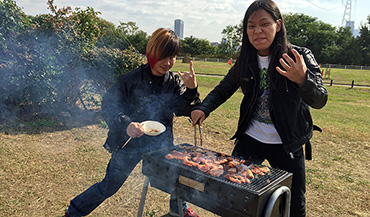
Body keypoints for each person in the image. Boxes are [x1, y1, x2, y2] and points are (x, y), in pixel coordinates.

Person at [190, 1, 328, 217]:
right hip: (250, 139)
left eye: (264, 23)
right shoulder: (246, 59)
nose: (257, 31)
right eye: (251, 25)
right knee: (232, 196)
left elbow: (320, 99)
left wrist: (302, 79)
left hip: (286, 144)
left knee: (292, 205)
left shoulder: (298, 57)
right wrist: (204, 108)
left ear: (278, 24)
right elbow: (223, 88)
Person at [65, 28, 201, 217]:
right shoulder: (130, 79)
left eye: (173, 57)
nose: (168, 63)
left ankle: (180, 209)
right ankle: (74, 211)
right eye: (164, 56)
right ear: (152, 52)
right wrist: (125, 124)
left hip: (161, 142)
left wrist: (191, 89)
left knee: (176, 177)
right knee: (109, 186)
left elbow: (182, 109)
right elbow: (108, 105)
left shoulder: (173, 82)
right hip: (129, 143)